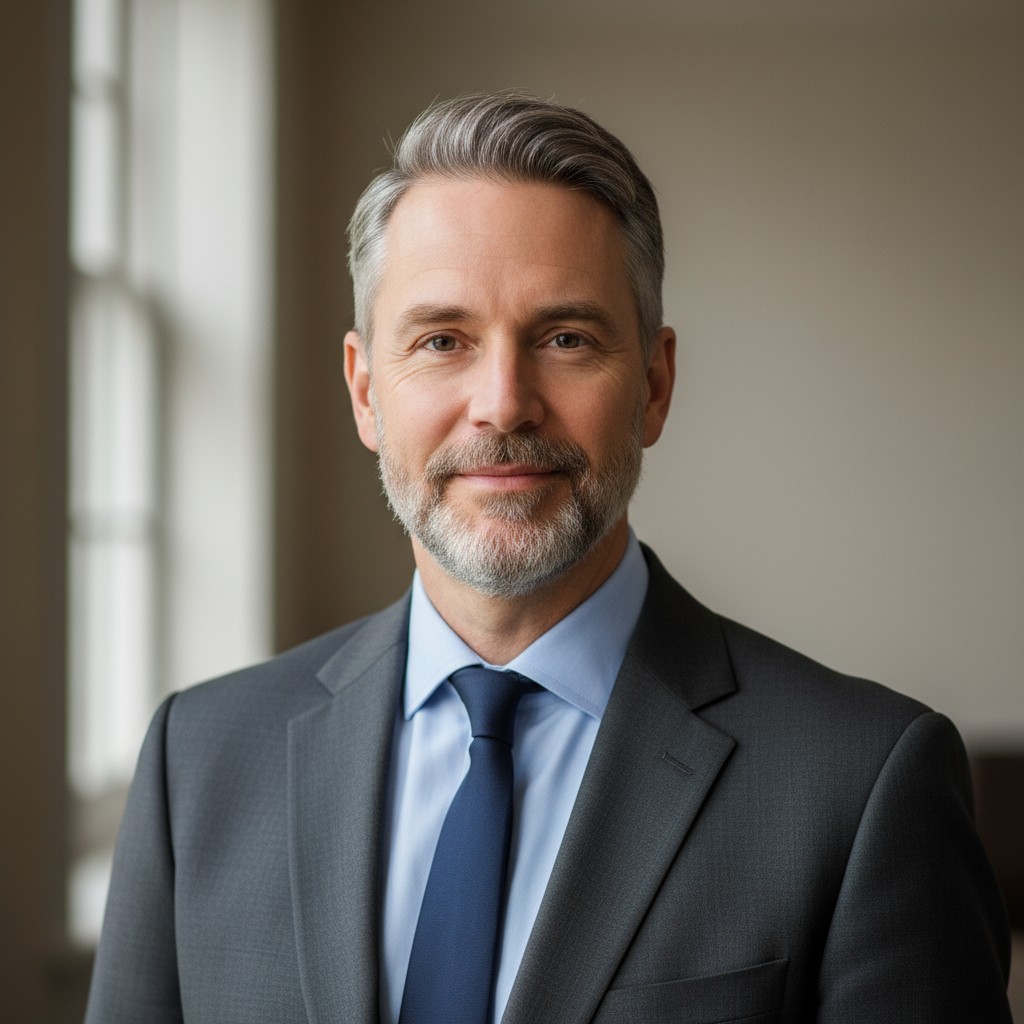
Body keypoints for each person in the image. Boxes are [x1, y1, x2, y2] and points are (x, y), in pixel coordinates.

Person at [85, 91, 1012, 1024]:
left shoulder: (862, 782)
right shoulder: (195, 761)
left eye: (565, 339)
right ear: (366, 392)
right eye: (442, 340)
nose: (503, 403)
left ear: (654, 384)